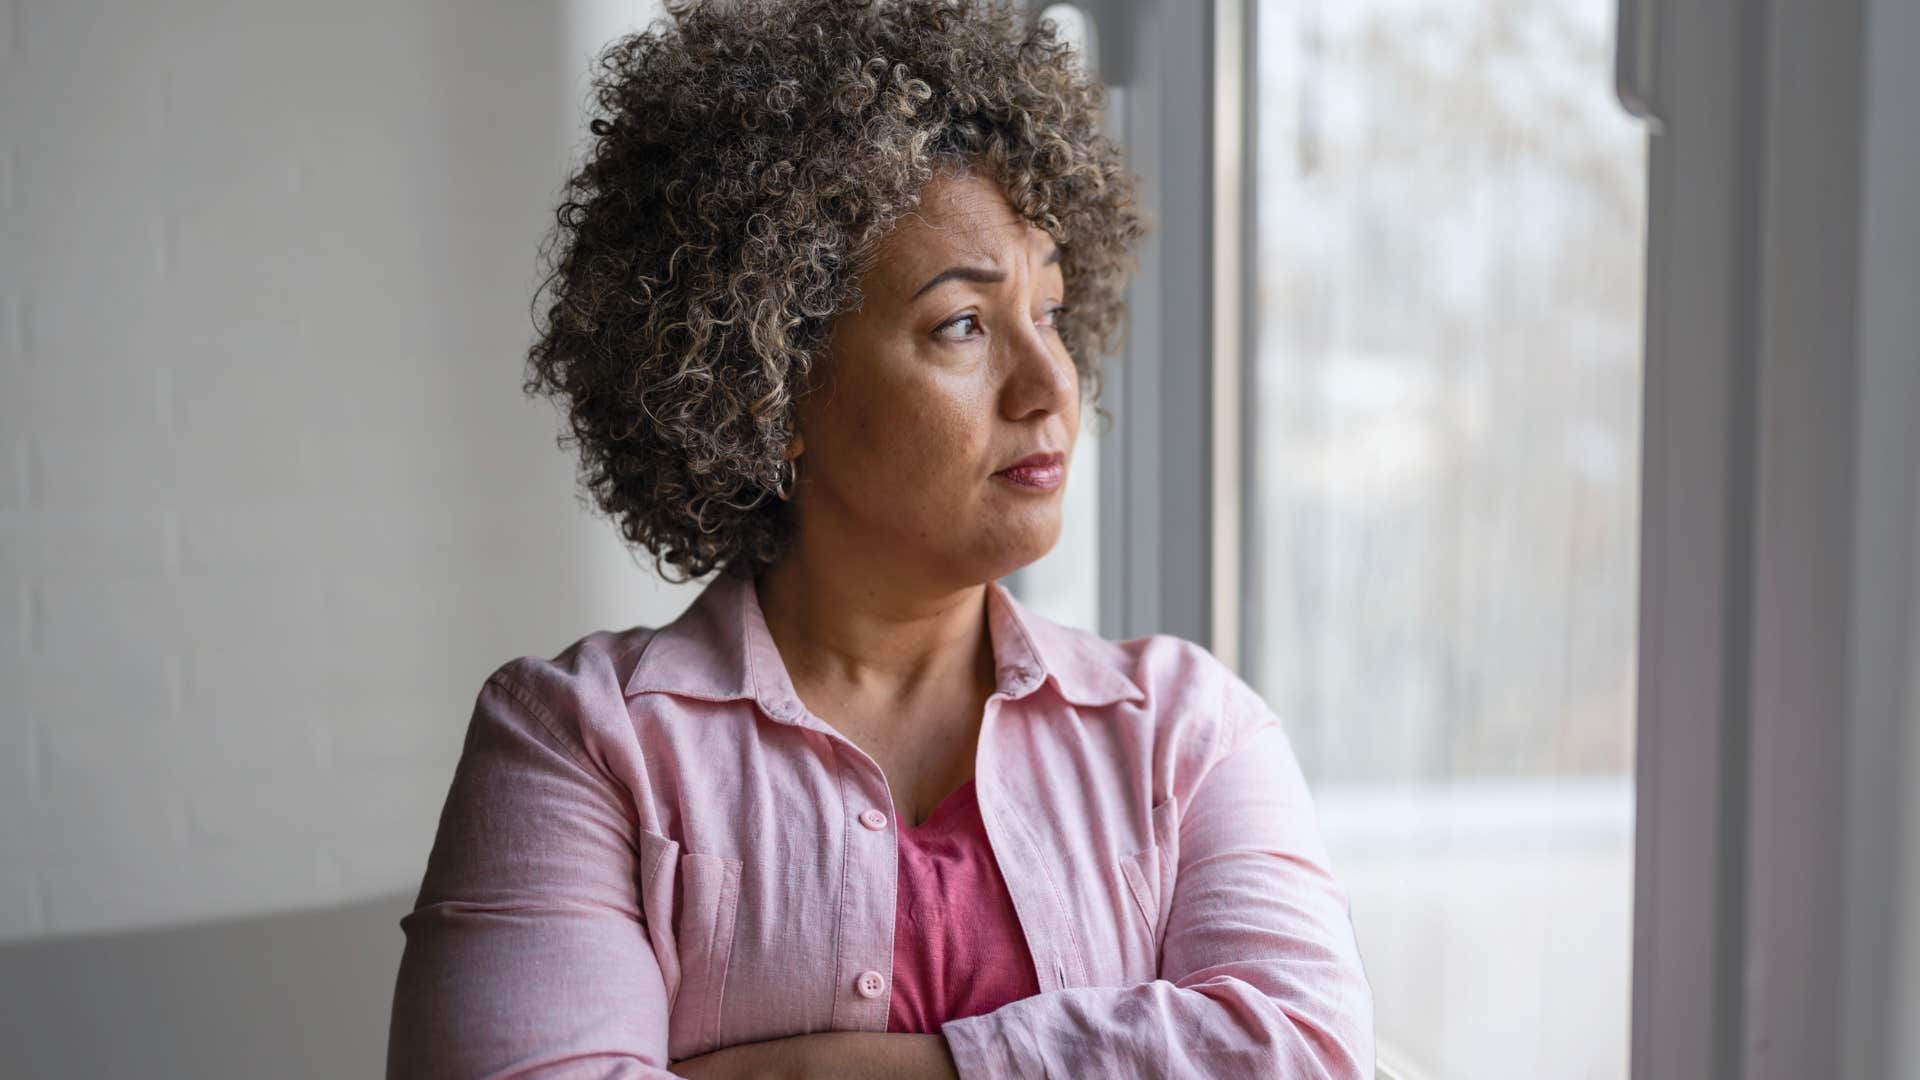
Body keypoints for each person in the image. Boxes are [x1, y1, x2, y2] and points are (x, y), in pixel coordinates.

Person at [385, 1, 1374, 1076]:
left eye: (1050, 310)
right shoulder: (579, 747)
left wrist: (817, 1069)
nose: (1052, 386)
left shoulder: (1187, 735)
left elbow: (1307, 1054)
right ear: (771, 385)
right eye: (962, 324)